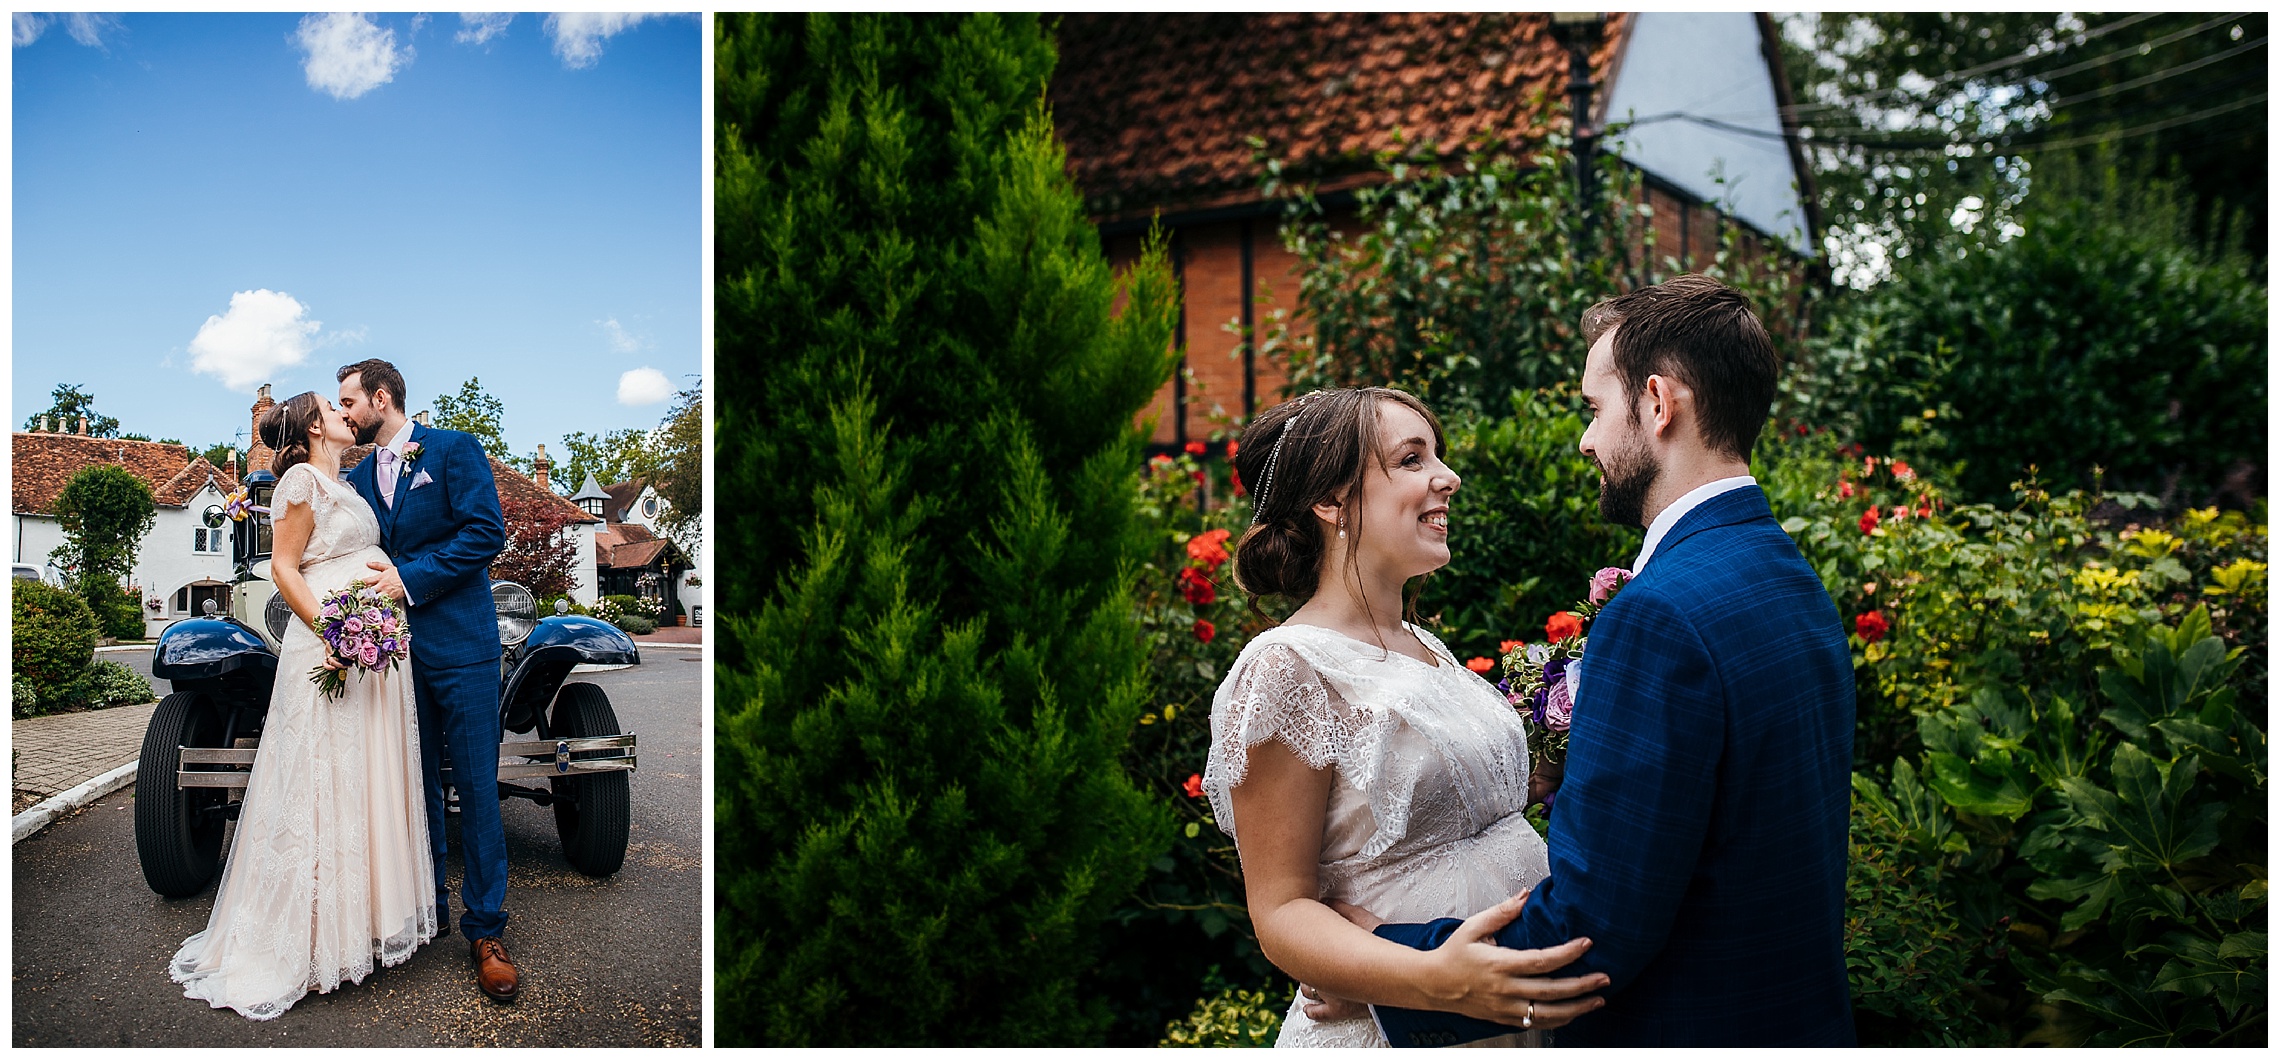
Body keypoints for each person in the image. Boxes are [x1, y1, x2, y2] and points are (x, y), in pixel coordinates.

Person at [1361, 275, 1858, 1046]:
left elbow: (1590, 937)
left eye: (1595, 409)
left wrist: (1384, 968)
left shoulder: (1658, 614)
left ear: (1659, 404)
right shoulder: (1786, 576)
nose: (1587, 440)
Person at [1202, 386, 1608, 1048]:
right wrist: (1426, 976)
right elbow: (1282, 910)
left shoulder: (1429, 649)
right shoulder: (1285, 667)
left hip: (1507, 1016)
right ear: (1332, 501)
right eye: (1412, 459)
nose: (1447, 478)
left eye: (1437, 457)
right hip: (1399, 1028)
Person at [171, 391, 439, 1019]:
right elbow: (283, 569)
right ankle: (309, 940)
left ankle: (358, 926)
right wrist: (338, 633)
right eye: (335, 406)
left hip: (371, 648)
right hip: (331, 646)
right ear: (317, 425)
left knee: (361, 779)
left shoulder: (348, 484)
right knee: (322, 780)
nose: (349, 413)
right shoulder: (298, 479)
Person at [335, 359, 517, 1002]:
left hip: (463, 648)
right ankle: (427, 911)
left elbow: (484, 533)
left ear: (382, 398)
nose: (347, 412)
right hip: (395, 654)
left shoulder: (454, 449)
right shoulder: (355, 475)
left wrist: (410, 580)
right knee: (412, 788)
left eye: (351, 400)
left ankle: (486, 930)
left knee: (475, 786)